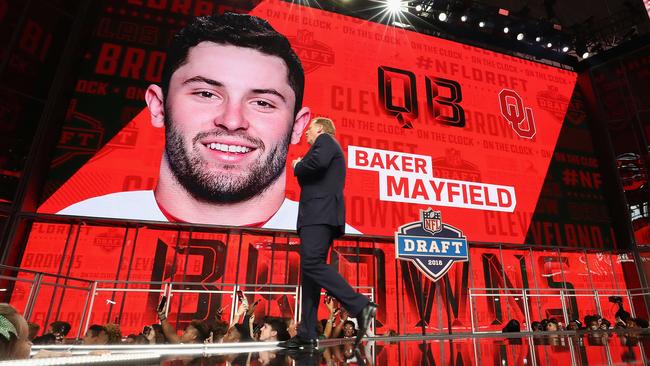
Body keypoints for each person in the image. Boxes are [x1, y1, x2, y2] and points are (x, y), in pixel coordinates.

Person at [57, 13, 359, 234]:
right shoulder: (74, 224)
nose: (232, 121)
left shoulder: (347, 246)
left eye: (263, 102)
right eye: (206, 93)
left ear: (297, 126)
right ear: (158, 106)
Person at [279, 117, 377, 350]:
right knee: (309, 275)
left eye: (309, 129)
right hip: (317, 214)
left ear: (321, 129)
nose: (306, 134)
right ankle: (308, 332)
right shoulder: (324, 148)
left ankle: (360, 305)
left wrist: (297, 166)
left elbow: (312, 167)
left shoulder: (325, 141)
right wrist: (302, 168)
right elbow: (310, 177)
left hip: (319, 214)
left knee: (312, 263)